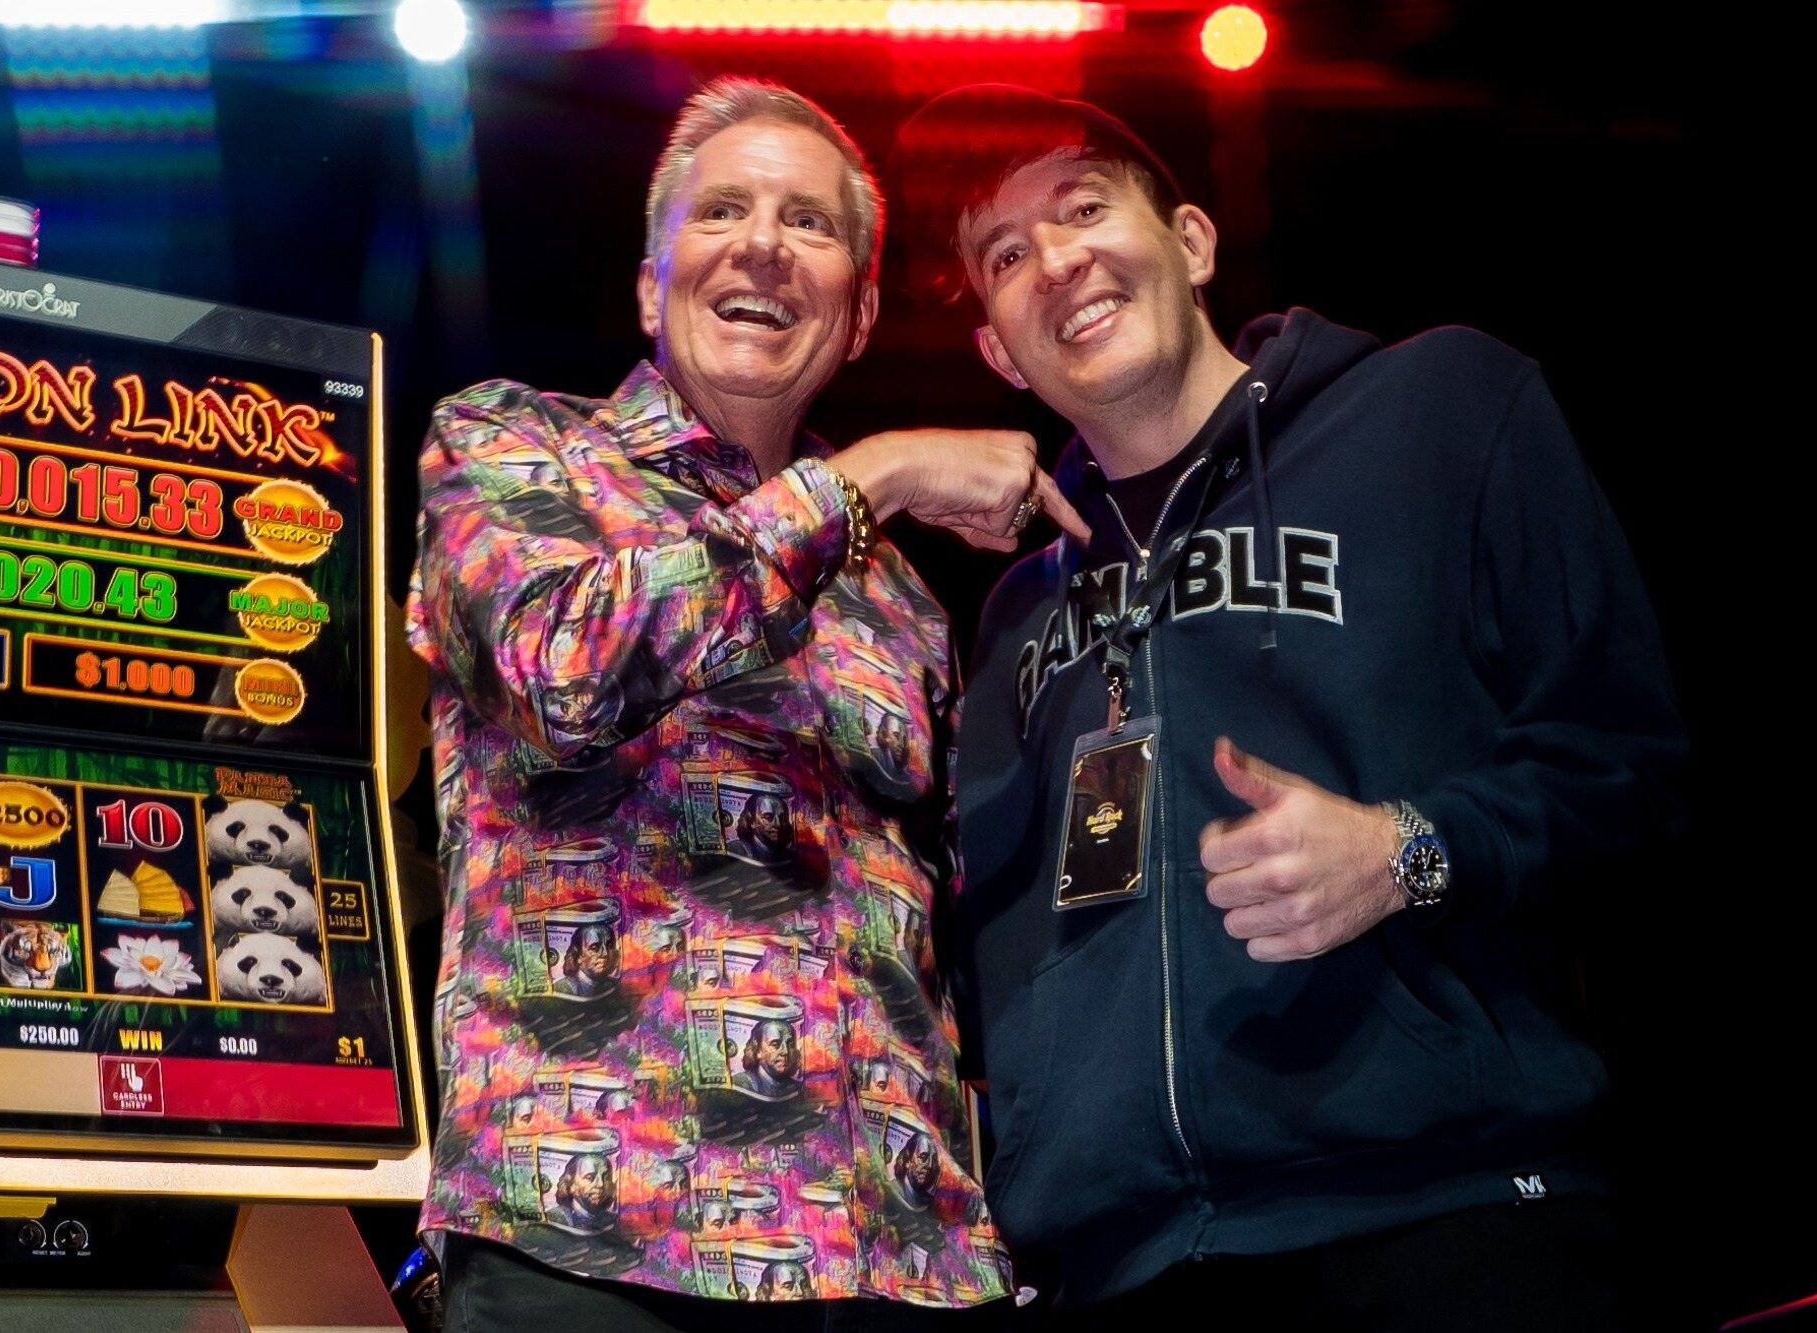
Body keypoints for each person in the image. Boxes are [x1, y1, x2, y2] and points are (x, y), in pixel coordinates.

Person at [895, 86, 1688, 1329]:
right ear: (998, 349)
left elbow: (1632, 770)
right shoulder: (1010, 623)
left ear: (1193, 242)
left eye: (1083, 207)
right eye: (1005, 254)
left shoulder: (1442, 411)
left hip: (1447, 1218)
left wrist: (1406, 849)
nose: (1055, 261)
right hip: (1126, 1275)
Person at [410, 77, 1087, 1329]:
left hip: (900, 1261)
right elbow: (563, 670)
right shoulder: (512, 452)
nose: (765, 244)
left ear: (861, 308)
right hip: (600, 1242)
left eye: (810, 224)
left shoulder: (899, 598)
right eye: (723, 210)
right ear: (648, 283)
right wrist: (869, 474)